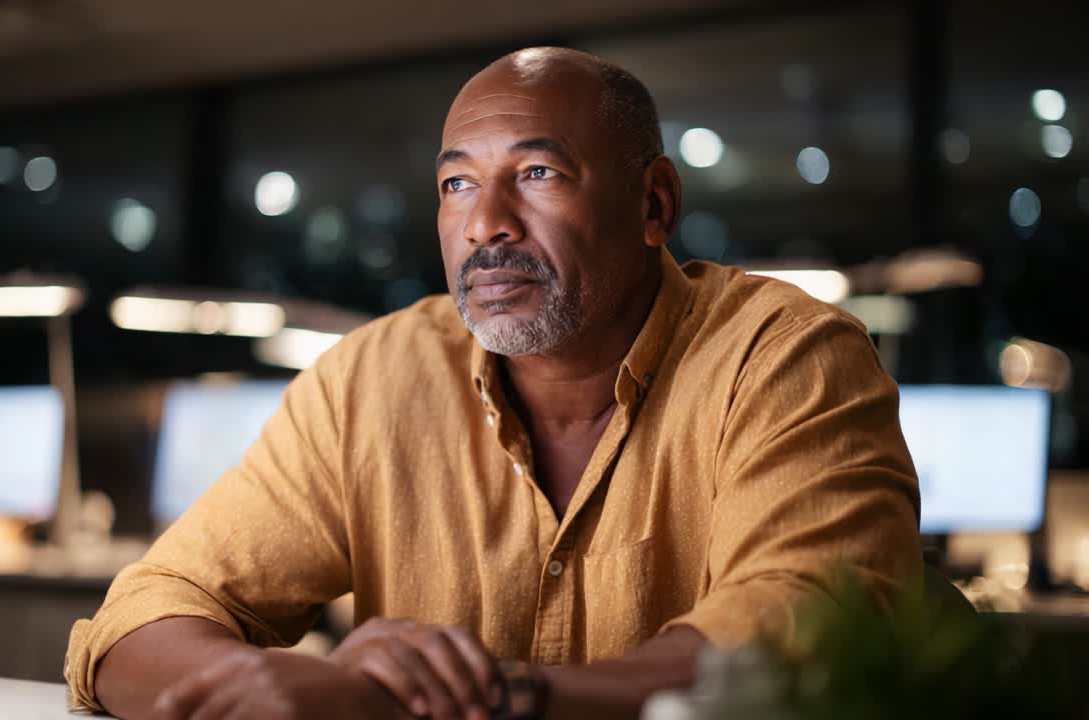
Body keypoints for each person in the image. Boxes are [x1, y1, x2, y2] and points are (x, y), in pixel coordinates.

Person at [65, 47, 921, 720]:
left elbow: (802, 637)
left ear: (655, 206)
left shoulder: (786, 359)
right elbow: (147, 612)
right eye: (456, 184)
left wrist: (478, 702)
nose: (484, 224)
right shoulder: (370, 380)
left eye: (538, 174)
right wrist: (261, 690)